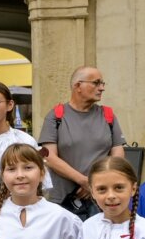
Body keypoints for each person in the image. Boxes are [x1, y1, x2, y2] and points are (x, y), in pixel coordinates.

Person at [38, 66, 125, 218]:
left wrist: (94, 182)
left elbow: (117, 156)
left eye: (102, 83)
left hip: (101, 198)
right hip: (64, 200)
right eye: (96, 83)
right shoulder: (56, 116)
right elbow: (49, 157)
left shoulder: (108, 115)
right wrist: (82, 181)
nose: (102, 88)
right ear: (78, 86)